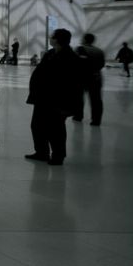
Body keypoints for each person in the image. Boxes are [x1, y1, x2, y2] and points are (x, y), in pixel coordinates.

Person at [25, 28, 84, 165]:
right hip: (43, 98)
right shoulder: (50, 53)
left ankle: (58, 155)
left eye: (52, 36)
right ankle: (42, 152)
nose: (49, 38)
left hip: (58, 100)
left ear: (57, 39)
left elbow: (73, 83)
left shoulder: (71, 58)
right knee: (37, 125)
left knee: (55, 129)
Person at [75, 33, 107, 125]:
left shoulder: (79, 49)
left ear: (84, 39)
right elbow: (102, 64)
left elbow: (75, 63)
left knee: (79, 98)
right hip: (96, 77)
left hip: (81, 77)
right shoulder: (99, 51)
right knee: (96, 99)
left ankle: (78, 116)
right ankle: (96, 120)